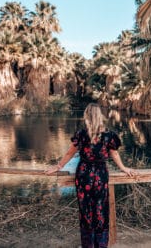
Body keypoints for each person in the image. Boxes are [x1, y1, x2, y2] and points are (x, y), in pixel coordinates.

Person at [45, 103, 136, 248]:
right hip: (100, 175)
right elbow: (114, 154)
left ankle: (88, 245)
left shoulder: (81, 134)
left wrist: (58, 166)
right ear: (100, 116)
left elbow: (70, 153)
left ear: (86, 116)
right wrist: (124, 168)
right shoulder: (109, 136)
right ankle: (100, 245)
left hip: (84, 174)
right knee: (100, 209)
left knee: (86, 210)